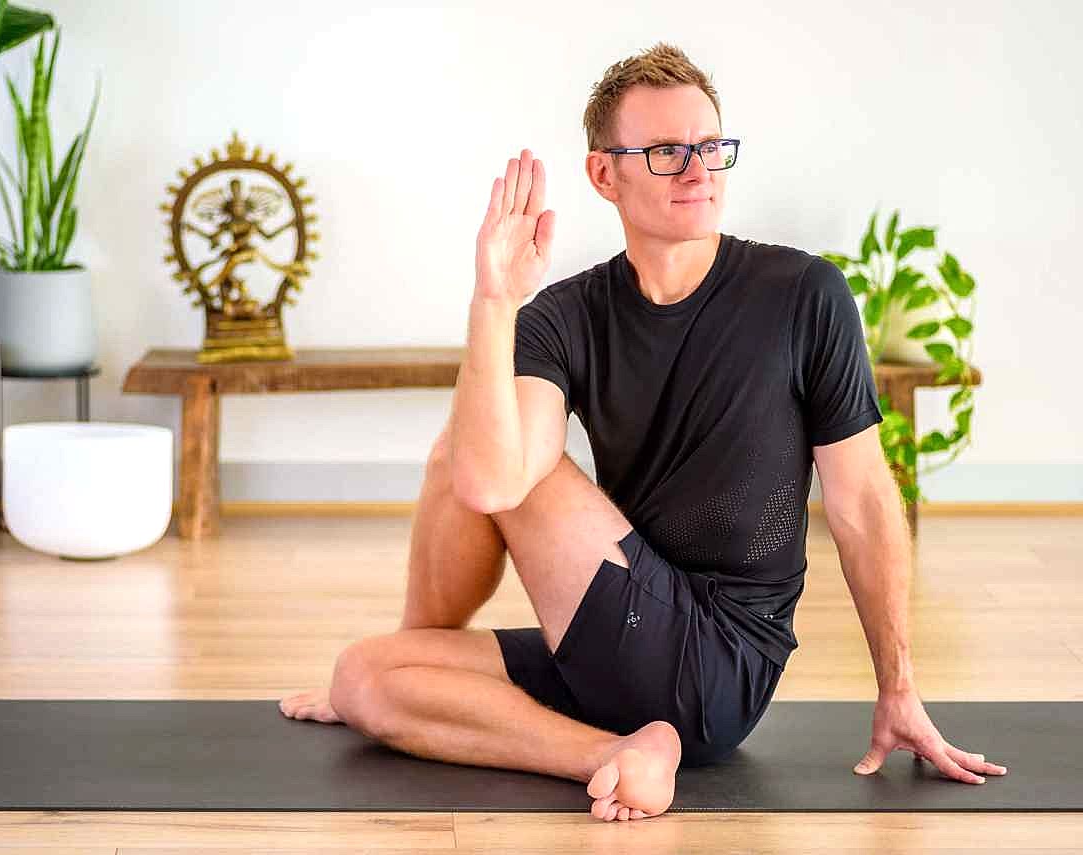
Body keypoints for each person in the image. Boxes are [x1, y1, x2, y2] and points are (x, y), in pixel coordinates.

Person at [279, 42, 1006, 821]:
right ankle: (608, 751)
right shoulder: (562, 315)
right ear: (605, 174)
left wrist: (897, 684)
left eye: (710, 147)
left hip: (722, 662)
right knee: (362, 674)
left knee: (471, 445)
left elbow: (861, 500)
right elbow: (488, 484)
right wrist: (494, 300)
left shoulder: (804, 295)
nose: (698, 170)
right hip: (616, 634)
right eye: (665, 153)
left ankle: (599, 730)